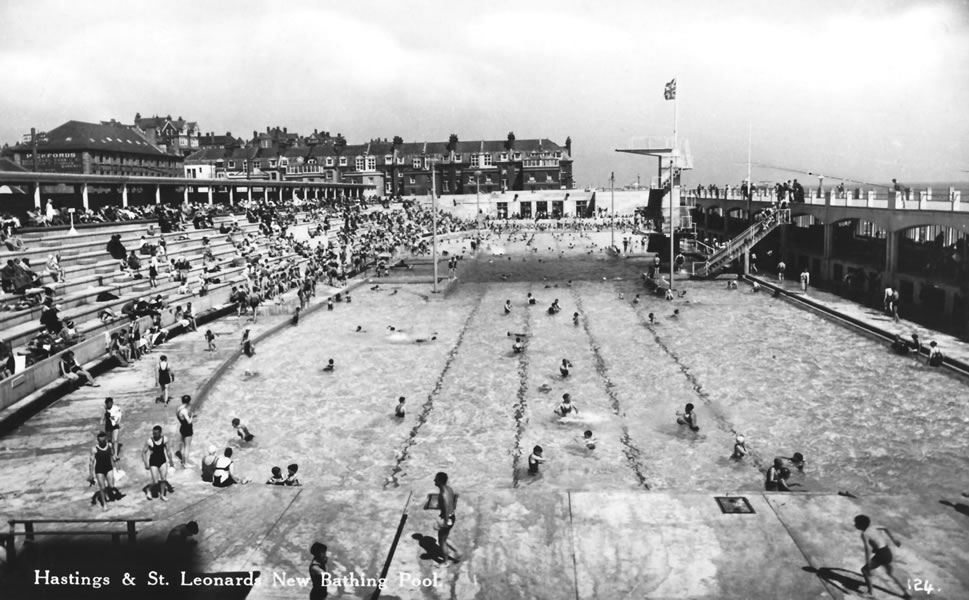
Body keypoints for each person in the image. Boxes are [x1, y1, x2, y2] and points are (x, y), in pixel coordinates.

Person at [853, 514, 911, 599]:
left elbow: (867, 548)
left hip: (881, 555)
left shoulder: (864, 534)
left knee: (864, 570)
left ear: (860, 525)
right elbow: (885, 528)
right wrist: (894, 540)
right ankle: (906, 592)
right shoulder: (874, 527)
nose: (854, 525)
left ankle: (870, 593)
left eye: (856, 523)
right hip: (887, 552)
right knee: (890, 573)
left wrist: (868, 562)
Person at [89, 432, 120, 511]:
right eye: (101, 441)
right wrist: (91, 474)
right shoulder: (95, 449)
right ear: (98, 440)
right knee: (102, 488)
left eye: (104, 440)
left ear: (106, 439)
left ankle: (109, 492)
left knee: (111, 486)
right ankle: (104, 503)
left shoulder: (109, 446)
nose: (102, 442)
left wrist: (116, 467)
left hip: (108, 468)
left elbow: (113, 456)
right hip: (99, 470)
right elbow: (91, 462)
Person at [142, 425, 174, 502]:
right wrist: (146, 463)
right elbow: (143, 452)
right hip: (153, 462)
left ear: (160, 433)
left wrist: (171, 460)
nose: (154, 435)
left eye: (156, 433)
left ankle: (162, 495)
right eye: (153, 433)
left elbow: (168, 450)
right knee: (156, 481)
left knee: (163, 479)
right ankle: (148, 489)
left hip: (162, 461)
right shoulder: (149, 441)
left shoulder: (165, 439)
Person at [433, 472, 459, 563]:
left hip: (447, 519)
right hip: (452, 516)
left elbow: (447, 508)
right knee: (444, 538)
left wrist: (444, 522)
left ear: (439, 481)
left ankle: (446, 562)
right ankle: (457, 552)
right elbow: (455, 498)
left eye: (436, 479)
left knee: (441, 541)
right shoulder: (449, 489)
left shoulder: (443, 494)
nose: (434, 480)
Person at [175, 395, 195, 468]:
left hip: (182, 427)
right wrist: (192, 416)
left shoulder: (178, 408)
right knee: (187, 446)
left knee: (183, 446)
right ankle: (185, 463)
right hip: (187, 429)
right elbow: (189, 422)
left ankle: (183, 461)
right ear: (188, 402)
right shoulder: (184, 410)